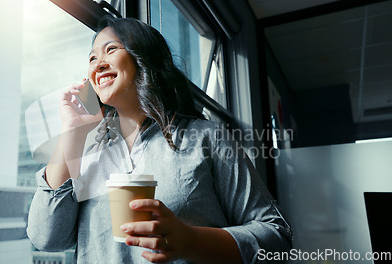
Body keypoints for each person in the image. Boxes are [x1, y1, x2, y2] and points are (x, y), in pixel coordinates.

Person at [27, 17, 292, 263]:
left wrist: (190, 240)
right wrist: (71, 132)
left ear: (144, 58)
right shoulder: (86, 151)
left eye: (111, 50)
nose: (98, 63)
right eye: (92, 57)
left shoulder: (207, 137)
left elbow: (276, 236)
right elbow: (46, 238)